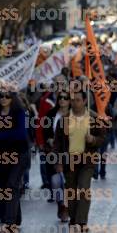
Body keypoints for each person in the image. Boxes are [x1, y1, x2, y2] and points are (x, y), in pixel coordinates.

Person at [54, 91, 106, 232]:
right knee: (71, 190)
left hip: (87, 161)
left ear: (84, 101)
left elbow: (102, 138)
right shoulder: (64, 120)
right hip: (69, 161)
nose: (75, 103)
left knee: (83, 188)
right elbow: (58, 143)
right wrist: (58, 161)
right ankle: (73, 218)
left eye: (78, 100)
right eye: (73, 100)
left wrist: (93, 140)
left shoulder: (94, 118)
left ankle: (82, 221)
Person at [0, 89, 30, 231]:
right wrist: (9, 133)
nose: (3, 99)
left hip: (20, 155)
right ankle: (16, 219)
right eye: (1, 96)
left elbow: (21, 134)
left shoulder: (19, 113)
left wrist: (2, 133)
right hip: (2, 156)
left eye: (7, 97)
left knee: (11, 185)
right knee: (8, 186)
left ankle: (10, 222)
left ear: (13, 99)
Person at [45, 91, 71, 222]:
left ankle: (66, 207)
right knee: (56, 182)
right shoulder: (51, 114)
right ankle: (61, 204)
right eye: (60, 97)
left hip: (70, 153)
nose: (62, 100)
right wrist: (48, 140)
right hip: (54, 152)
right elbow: (45, 131)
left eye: (65, 98)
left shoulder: (75, 115)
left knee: (67, 182)